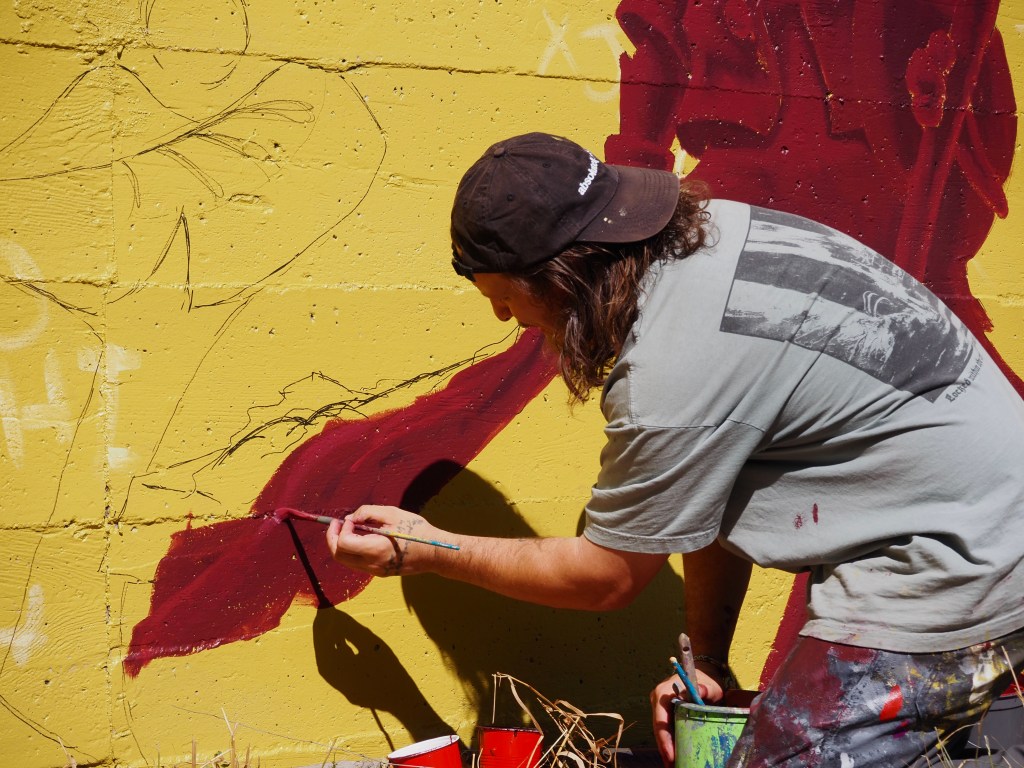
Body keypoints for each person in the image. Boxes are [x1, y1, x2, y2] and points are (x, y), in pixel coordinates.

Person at [326, 132, 1024, 767]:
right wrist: (709, 658)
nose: (504, 320)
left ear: (560, 278)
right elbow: (710, 485)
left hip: (951, 570)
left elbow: (606, 578)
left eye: (505, 299)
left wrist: (425, 552)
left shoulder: (671, 364)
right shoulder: (710, 239)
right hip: (993, 526)